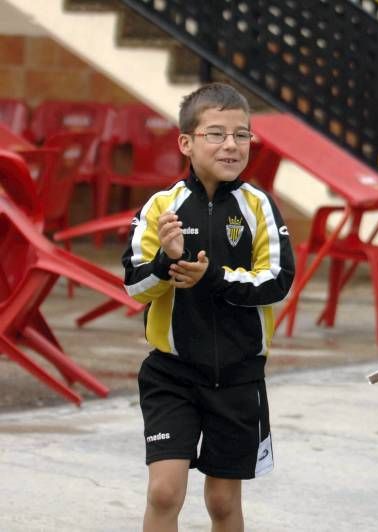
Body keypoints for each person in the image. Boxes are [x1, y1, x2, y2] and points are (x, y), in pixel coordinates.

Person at [122, 82, 294, 531]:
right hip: (171, 373)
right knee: (164, 491)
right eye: (215, 134)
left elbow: (278, 281)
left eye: (242, 135)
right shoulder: (162, 207)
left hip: (238, 378)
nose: (231, 145)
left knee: (222, 502)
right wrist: (167, 261)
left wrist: (211, 277)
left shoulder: (260, 207)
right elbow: (134, 288)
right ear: (186, 142)